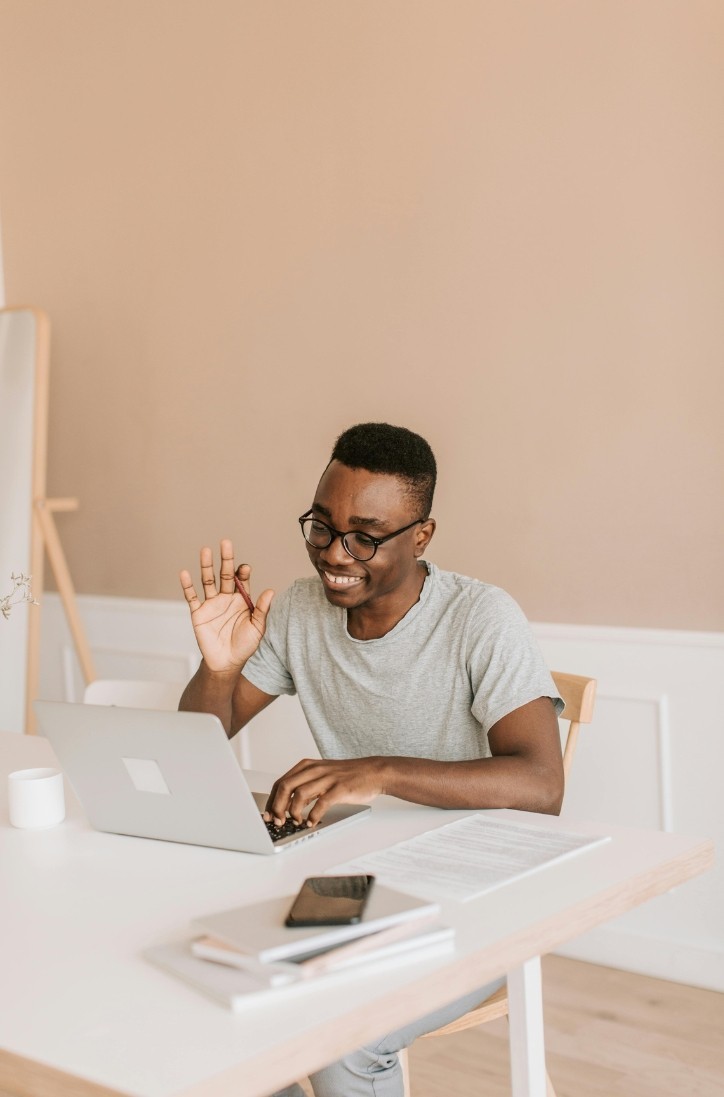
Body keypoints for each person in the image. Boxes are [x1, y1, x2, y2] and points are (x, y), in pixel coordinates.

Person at [179, 421, 564, 1097]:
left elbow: (541, 782)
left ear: (422, 536)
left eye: (364, 535)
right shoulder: (300, 611)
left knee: (343, 1042)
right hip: (352, 888)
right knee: (212, 988)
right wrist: (220, 667)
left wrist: (379, 769)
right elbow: (196, 745)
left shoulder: (481, 617)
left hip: (480, 896)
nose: (334, 552)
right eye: (321, 526)